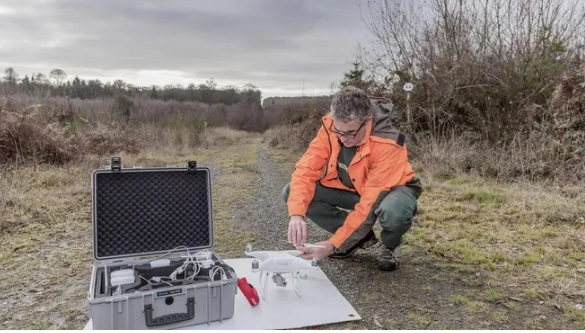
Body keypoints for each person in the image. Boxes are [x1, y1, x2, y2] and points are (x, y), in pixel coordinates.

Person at [282, 86, 423, 271]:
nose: (343, 138)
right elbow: (305, 171)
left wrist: (333, 244)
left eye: (350, 132)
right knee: (292, 191)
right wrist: (296, 215)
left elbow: (370, 202)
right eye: (339, 131)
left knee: (394, 213)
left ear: (367, 121)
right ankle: (359, 239)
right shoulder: (331, 127)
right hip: (354, 189)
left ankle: (389, 246)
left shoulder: (388, 143)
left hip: (394, 190)